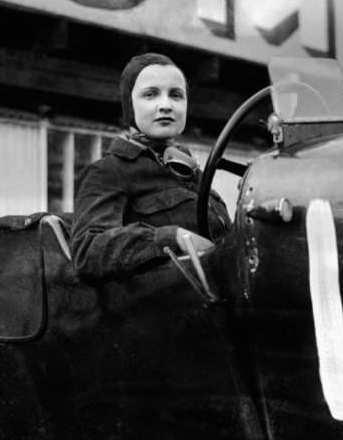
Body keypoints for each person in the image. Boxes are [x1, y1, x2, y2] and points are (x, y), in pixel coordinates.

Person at [69, 53, 231, 282]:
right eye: (150, 94)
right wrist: (170, 238)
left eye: (176, 95)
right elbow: (87, 252)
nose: (166, 105)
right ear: (130, 104)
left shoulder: (191, 172)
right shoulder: (109, 171)